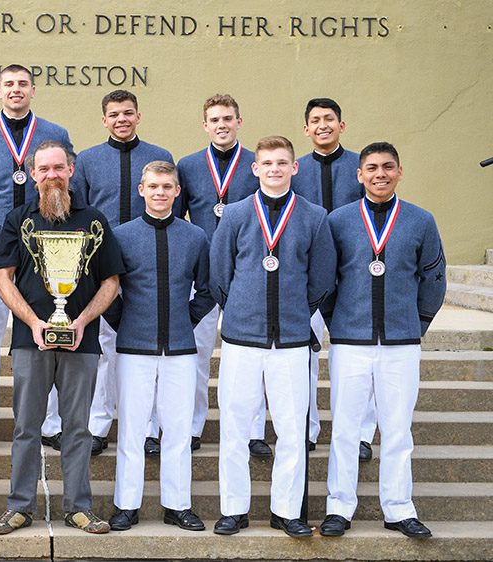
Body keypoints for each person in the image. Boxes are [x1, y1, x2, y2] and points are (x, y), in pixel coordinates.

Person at [0, 140, 123, 535]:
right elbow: (1, 279)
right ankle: (19, 507)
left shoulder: (93, 220)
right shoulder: (18, 219)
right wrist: (32, 322)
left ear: (71, 171)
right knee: (27, 426)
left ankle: (79, 507)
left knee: (77, 427)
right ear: (33, 175)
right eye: (44, 169)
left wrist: (80, 320)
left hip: (82, 339)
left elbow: (111, 282)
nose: (52, 175)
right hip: (32, 341)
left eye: (58, 168)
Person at [209, 136, 336, 538]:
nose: (275, 169)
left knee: (291, 429)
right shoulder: (235, 214)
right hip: (242, 340)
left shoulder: (314, 217)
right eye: (268, 162)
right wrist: (243, 311)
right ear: (256, 168)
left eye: (283, 162)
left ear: (294, 168)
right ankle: (234, 509)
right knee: (233, 427)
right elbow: (219, 274)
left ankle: (286, 510)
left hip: (292, 341)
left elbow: (322, 277)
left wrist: (296, 312)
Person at [320, 142, 446, 538]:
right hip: (350, 341)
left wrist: (415, 324)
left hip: (401, 343)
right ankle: (339, 508)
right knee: (344, 428)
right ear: (359, 175)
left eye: (387, 167)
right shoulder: (338, 221)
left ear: (399, 172)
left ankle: (399, 508)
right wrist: (336, 321)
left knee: (397, 429)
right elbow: (325, 280)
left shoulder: (420, 220)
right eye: (371, 168)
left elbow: (434, 278)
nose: (380, 174)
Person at [0, 64, 73, 451]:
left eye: (22, 84)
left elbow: (63, 183)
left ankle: (52, 423)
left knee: (52, 337)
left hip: (46, 248)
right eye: (8, 84)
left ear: (33, 90)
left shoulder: (55, 134)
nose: (15, 90)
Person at [108, 161, 212, 532]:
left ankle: (178, 504)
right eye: (153, 186)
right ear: (141, 190)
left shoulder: (196, 236)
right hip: (133, 348)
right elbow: (108, 289)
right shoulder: (120, 235)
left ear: (177, 191)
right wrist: (124, 322)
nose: (160, 192)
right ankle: (126, 504)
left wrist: (187, 321)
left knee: (178, 428)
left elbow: (208, 288)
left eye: (167, 186)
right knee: (133, 428)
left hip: (180, 349)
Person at [71, 89, 175, 457]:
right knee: (103, 347)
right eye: (114, 114)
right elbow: (79, 213)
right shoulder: (86, 160)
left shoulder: (159, 157)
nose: (121, 119)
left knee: (147, 348)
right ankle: (99, 424)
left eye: (128, 113)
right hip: (102, 267)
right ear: (104, 120)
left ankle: (149, 428)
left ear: (138, 116)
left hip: (150, 260)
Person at [289, 97, 375, 460]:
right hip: (306, 279)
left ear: (342, 125)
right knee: (304, 358)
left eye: (329, 119)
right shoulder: (295, 170)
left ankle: (359, 435)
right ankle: (307, 429)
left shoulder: (360, 166)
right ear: (306, 129)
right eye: (315, 120)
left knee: (355, 359)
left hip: (353, 277)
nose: (323, 124)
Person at [175, 94, 260, 455]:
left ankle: (252, 431)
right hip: (203, 273)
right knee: (197, 353)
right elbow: (178, 221)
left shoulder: (257, 165)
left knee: (249, 355)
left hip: (247, 271)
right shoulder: (189, 165)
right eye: (215, 119)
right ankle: (193, 426)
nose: (222, 125)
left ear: (239, 122)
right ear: (205, 125)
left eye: (228, 118)